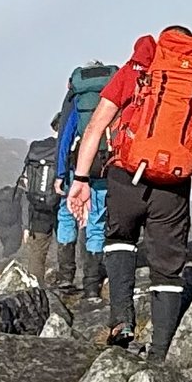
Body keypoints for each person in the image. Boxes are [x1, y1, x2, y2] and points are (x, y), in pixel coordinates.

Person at [67, 26, 192, 360]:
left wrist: (81, 179)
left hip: (126, 175)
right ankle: (159, 354)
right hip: (173, 187)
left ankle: (122, 321)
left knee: (120, 240)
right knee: (167, 269)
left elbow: (97, 125)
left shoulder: (141, 67)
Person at [49, 61, 118, 302]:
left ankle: (66, 277)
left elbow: (65, 137)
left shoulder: (76, 96)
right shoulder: (113, 92)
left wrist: (60, 174)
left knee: (66, 216)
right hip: (103, 168)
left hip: (75, 168)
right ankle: (91, 285)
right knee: (97, 221)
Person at [13, 135, 61, 284]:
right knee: (67, 243)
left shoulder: (37, 152)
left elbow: (25, 192)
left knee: (37, 251)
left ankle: (35, 287)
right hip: (62, 203)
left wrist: (26, 226)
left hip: (38, 208)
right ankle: (67, 283)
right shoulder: (66, 149)